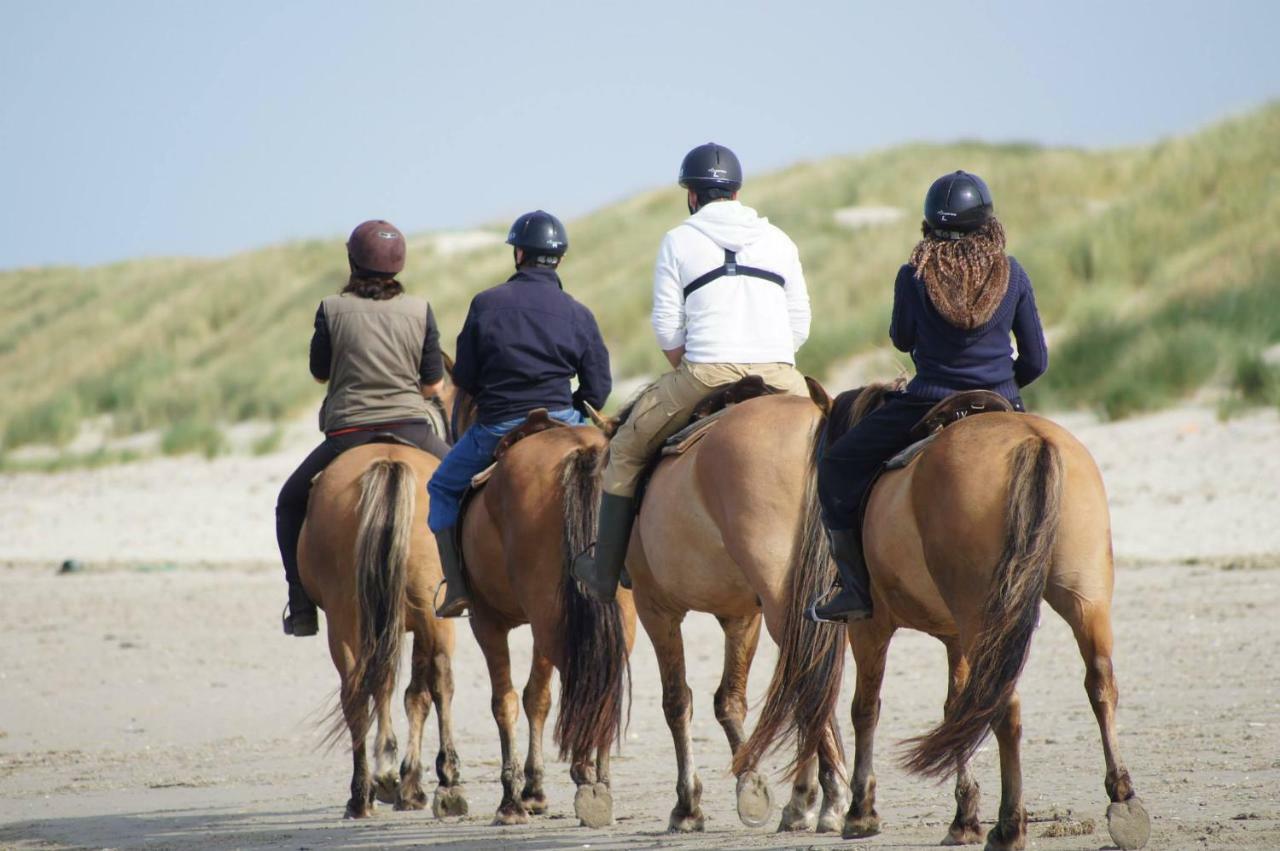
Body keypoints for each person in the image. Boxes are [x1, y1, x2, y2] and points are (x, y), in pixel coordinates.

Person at [571, 142, 813, 602]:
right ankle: (856, 566)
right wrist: (774, 355)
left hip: (706, 371)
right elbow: (799, 317)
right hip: (783, 374)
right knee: (837, 445)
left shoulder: (679, 239)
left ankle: (604, 572)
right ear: (737, 194)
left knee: (624, 448)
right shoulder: (780, 240)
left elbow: (667, 325)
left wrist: (689, 363)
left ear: (692, 196)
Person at [808, 170, 1049, 623]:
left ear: (928, 226)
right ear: (988, 223)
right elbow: (1036, 360)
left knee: (838, 465)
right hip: (1002, 401)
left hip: (928, 400)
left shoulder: (915, 275)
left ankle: (854, 589)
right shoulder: (1013, 273)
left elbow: (901, 339)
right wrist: (1001, 384)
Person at [428, 210, 612, 618]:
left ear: (518, 256)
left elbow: (469, 378)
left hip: (498, 424)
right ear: (559, 260)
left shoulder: (486, 304)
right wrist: (572, 406)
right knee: (623, 481)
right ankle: (621, 569)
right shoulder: (578, 312)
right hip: (565, 418)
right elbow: (599, 388)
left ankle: (456, 587)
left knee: (441, 487)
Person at [277, 219, 451, 637]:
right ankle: (466, 586)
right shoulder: (420, 309)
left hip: (347, 435)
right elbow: (433, 385)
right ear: (399, 263)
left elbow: (320, 373)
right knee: (475, 487)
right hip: (412, 430)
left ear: (352, 260)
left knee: (289, 502)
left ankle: (300, 603)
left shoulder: (331, 309)